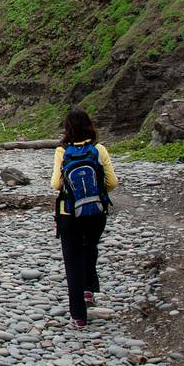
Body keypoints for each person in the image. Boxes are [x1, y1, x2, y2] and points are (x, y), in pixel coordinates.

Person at [51, 109, 119, 329]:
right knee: (90, 248)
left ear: (67, 128)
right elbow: (112, 183)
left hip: (68, 213)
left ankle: (79, 316)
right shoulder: (99, 149)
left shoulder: (62, 151)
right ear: (90, 125)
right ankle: (89, 289)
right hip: (95, 213)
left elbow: (56, 185)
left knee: (72, 262)